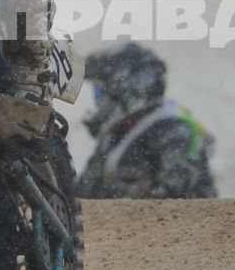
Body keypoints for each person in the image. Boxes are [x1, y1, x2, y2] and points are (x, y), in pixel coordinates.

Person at [76, 44, 216, 199]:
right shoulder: (114, 139)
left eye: (100, 90)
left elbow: (174, 197)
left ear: (127, 88)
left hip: (183, 223)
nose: (99, 101)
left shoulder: (174, 132)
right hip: (120, 223)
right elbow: (81, 198)